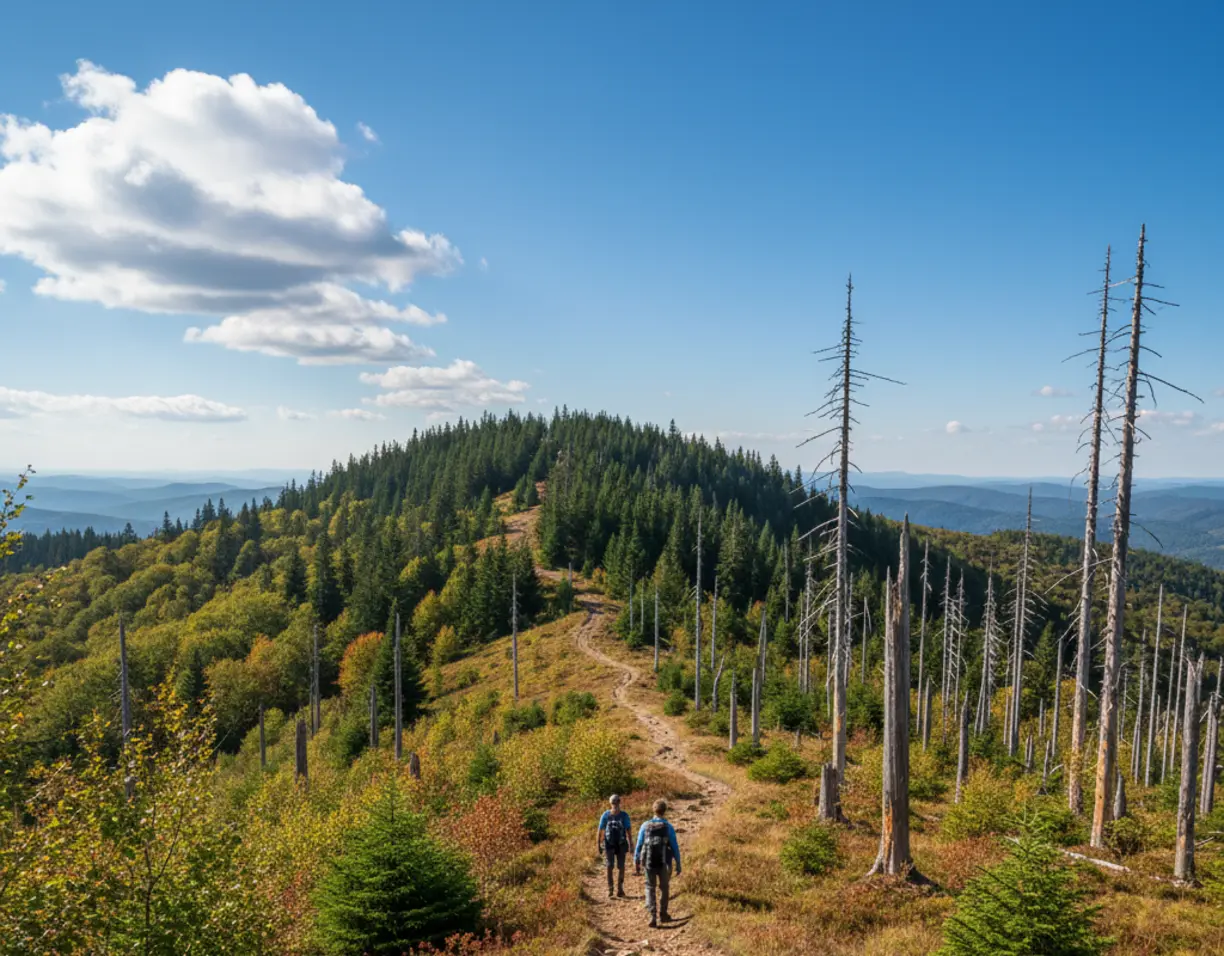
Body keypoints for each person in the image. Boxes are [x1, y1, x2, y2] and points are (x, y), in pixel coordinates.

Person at [634, 798, 681, 928]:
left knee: (650, 887)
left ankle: (652, 915)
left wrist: (636, 861)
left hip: (649, 862)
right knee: (664, 888)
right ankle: (663, 914)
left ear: (653, 810)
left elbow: (639, 845)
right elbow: (675, 846)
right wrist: (678, 863)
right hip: (664, 863)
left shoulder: (645, 825)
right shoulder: (668, 826)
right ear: (664, 811)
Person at [596, 794, 631, 898]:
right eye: (613, 802)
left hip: (615, 843)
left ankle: (616, 889)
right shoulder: (620, 815)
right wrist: (598, 844)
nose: (614, 804)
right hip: (612, 843)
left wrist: (598, 844)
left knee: (615, 866)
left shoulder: (610, 815)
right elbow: (600, 830)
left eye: (615, 802)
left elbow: (628, 830)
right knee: (614, 866)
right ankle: (614, 889)